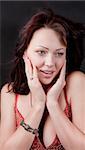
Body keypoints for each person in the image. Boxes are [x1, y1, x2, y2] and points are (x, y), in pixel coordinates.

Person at [0, 8, 85, 150]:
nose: (50, 63)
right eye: (41, 52)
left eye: (59, 53)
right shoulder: (9, 93)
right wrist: (38, 106)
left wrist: (52, 104)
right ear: (25, 52)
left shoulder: (76, 83)